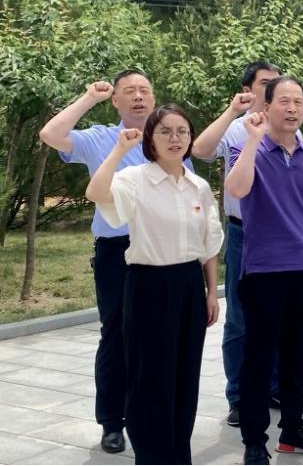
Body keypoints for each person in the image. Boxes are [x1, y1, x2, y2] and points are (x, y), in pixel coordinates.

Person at [85, 105, 221, 464]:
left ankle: (178, 455)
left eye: (182, 131)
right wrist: (119, 150)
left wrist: (211, 293)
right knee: (149, 379)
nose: (175, 139)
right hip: (148, 285)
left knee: (184, 378)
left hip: (189, 285)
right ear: (150, 139)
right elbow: (96, 192)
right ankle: (151, 456)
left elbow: (209, 244)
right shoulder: (135, 179)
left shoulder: (198, 186)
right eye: (165, 132)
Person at [38, 70, 161, 453]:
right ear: (116, 101)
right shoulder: (99, 138)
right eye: (130, 91)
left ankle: (150, 412)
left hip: (163, 251)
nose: (138, 96)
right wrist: (89, 97)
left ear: (153, 98)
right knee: (117, 335)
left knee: (157, 336)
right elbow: (51, 134)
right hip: (117, 251)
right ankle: (112, 421)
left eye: (144, 90)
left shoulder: (169, 137)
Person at [225, 77, 303, 464]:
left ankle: (292, 429)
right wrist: (253, 140)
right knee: (258, 357)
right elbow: (237, 190)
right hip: (264, 271)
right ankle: (254, 440)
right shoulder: (246, 148)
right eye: (284, 101)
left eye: (298, 102)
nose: (292, 108)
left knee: (295, 355)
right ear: (266, 106)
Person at [191, 61, 286, 427]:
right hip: (244, 233)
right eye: (265, 83)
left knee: (277, 316)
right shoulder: (235, 128)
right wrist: (233, 110)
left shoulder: (285, 126)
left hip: (280, 235)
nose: (272, 87)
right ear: (248, 89)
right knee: (241, 319)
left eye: (277, 82)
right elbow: (200, 149)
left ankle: (273, 385)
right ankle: (239, 395)